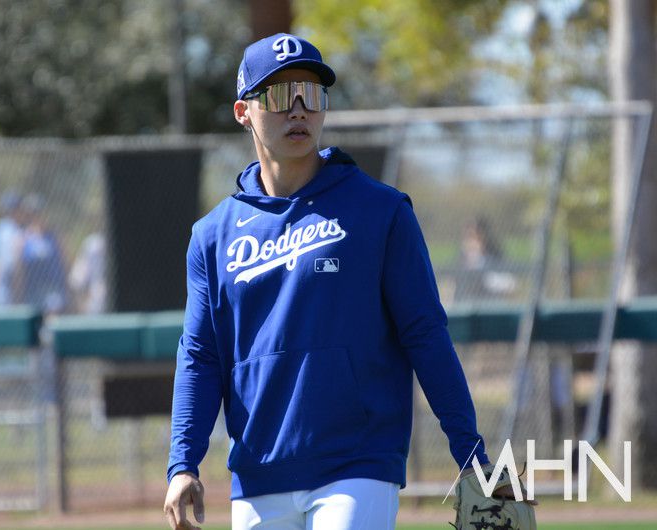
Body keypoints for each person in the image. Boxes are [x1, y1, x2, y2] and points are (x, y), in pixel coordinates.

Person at [164, 33, 524, 530]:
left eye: (311, 94)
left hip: (358, 465)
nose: (298, 109)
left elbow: (425, 334)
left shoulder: (380, 211)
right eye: (279, 94)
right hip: (258, 472)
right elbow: (201, 355)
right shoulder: (213, 236)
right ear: (243, 111)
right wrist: (183, 463)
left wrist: (471, 454)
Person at [15, 193, 69, 316]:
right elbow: (19, 270)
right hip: (32, 291)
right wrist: (18, 292)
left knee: (53, 317)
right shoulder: (22, 239)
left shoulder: (55, 236)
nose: (36, 216)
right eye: (32, 213)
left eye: (38, 212)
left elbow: (65, 264)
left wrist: (69, 290)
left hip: (54, 289)